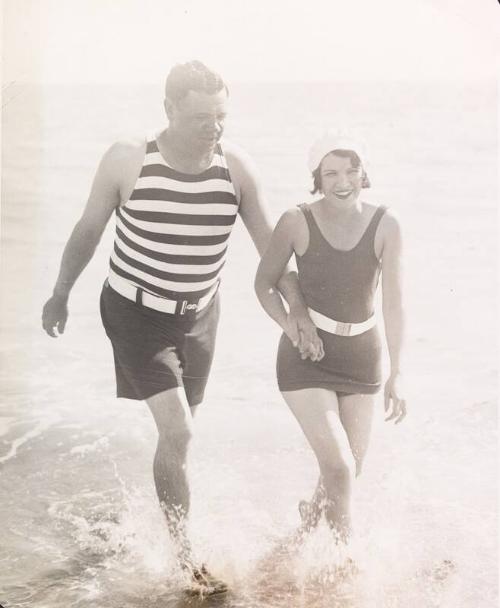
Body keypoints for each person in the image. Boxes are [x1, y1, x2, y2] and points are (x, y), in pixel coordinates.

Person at [41, 60, 322, 594]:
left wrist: (299, 314)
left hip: (199, 317)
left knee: (179, 438)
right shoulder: (129, 158)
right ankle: (184, 558)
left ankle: (146, 524)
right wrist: (60, 293)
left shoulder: (235, 169)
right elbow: (88, 230)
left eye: (220, 115)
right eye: (200, 117)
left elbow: (271, 250)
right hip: (133, 311)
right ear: (169, 109)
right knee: (180, 431)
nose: (213, 127)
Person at [254, 130, 407, 545]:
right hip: (307, 360)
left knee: (346, 473)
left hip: (363, 358)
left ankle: (301, 535)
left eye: (352, 170)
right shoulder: (296, 221)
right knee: (339, 468)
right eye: (331, 173)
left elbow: (393, 303)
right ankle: (347, 569)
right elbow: (264, 284)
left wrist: (398, 372)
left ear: (364, 172)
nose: (343, 181)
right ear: (316, 178)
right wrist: (292, 326)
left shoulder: (385, 224)